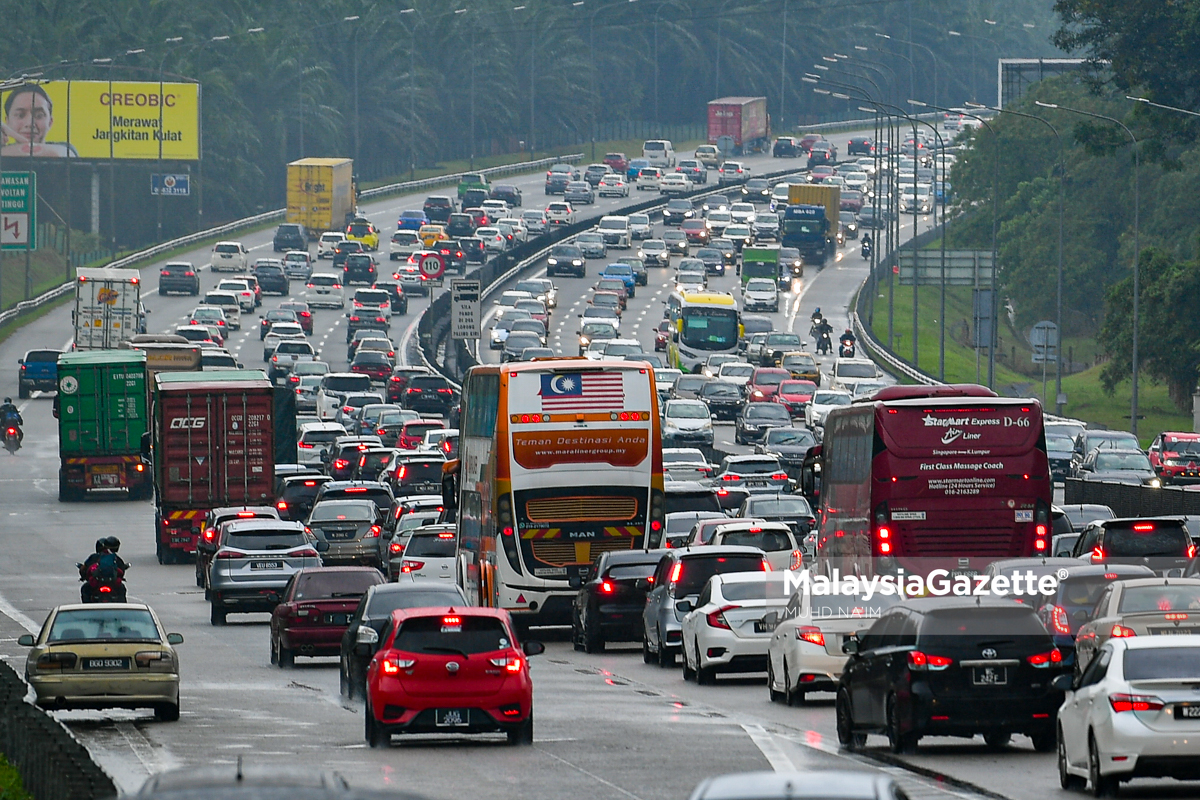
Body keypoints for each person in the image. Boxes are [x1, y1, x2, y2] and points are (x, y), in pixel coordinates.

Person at [1, 84, 78, 158]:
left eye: (39, 116)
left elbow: (57, 154)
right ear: (7, 121)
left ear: (50, 122)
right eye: (20, 115)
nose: (30, 123)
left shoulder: (65, 148)